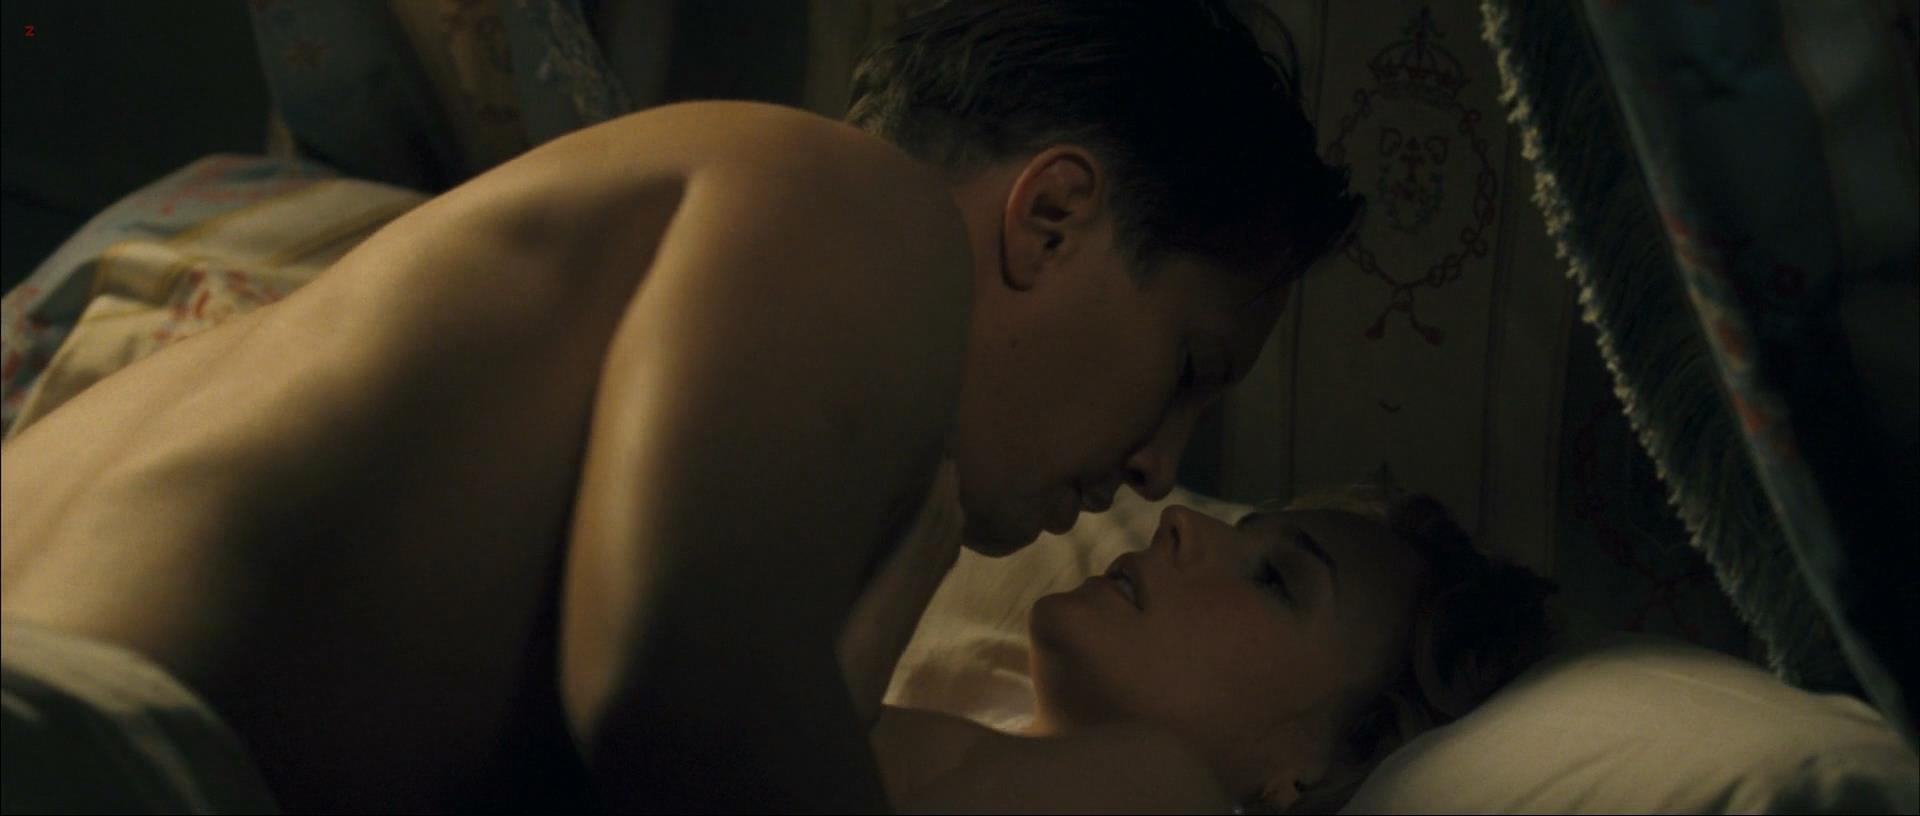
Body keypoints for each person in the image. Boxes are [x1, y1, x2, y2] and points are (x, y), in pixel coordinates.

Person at [0, 1, 1360, 812]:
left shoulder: (691, 280)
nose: (1159, 467)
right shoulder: (859, 208)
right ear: (1051, 216)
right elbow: (671, 692)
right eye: (1190, 368)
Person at [869, 482, 1560, 814]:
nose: (1180, 521)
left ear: (1317, 767)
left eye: (1273, 579)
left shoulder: (1167, 789)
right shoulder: (972, 728)